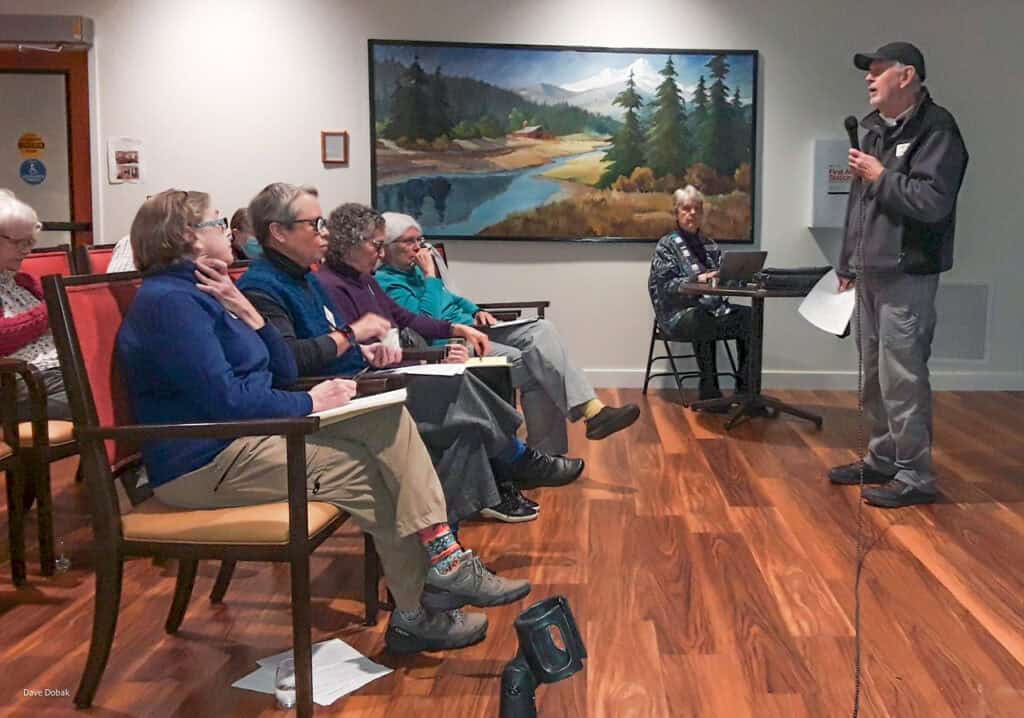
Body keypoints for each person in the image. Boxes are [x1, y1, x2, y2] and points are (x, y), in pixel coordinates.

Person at [116, 189, 532, 654]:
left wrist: (248, 312)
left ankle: (442, 561)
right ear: (185, 238)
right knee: (367, 473)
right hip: (203, 460)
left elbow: (283, 368)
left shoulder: (211, 291)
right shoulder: (171, 303)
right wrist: (308, 404)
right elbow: (227, 400)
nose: (229, 233)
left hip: (244, 438)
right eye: (216, 224)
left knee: (387, 418)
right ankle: (418, 610)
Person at [237, 184, 583, 525]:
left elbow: (368, 333)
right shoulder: (267, 285)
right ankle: (513, 465)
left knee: (461, 394)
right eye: (314, 224)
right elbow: (291, 361)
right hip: (335, 396)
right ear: (279, 232)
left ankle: (476, 512)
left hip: (364, 376)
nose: (322, 233)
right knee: (457, 398)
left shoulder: (307, 280)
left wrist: (368, 348)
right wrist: (354, 336)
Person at [317, 202, 554, 523]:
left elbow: (405, 318)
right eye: (376, 245)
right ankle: (515, 459)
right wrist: (434, 353)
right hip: (373, 382)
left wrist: (454, 328)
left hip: (394, 366)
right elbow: (359, 352)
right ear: (350, 244)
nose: (380, 253)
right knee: (460, 397)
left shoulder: (364, 279)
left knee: (465, 404)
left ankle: (502, 477)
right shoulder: (332, 286)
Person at [828, 42, 968, 508]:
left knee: (903, 378)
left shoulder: (938, 129)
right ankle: (884, 457)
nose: (869, 78)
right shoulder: (871, 131)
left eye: (878, 71)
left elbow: (932, 202)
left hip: (907, 275)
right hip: (868, 273)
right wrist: (847, 260)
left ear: (906, 76)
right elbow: (858, 205)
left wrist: (880, 175)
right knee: (874, 376)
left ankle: (915, 475)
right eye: (866, 72)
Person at [378, 212, 640, 456]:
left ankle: (593, 411)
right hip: (449, 345)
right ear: (387, 248)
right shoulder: (386, 282)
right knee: (529, 362)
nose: (419, 248)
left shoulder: (414, 272)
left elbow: (454, 299)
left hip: (474, 328)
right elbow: (426, 321)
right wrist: (430, 277)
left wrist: (476, 309)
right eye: (409, 242)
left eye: (419, 240)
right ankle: (548, 452)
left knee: (541, 331)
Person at [647, 185, 751, 406]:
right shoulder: (666, 246)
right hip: (677, 314)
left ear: (702, 213)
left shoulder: (710, 245)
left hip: (713, 309)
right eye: (686, 209)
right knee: (702, 317)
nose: (692, 213)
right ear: (676, 213)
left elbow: (723, 277)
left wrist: (732, 276)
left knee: (750, 317)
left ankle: (747, 394)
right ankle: (710, 394)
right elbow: (666, 286)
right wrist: (698, 280)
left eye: (696, 209)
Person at [0, 189, 71, 422]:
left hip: (53, 374)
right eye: (19, 243)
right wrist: (54, 308)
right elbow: (3, 336)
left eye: (30, 242)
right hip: (20, 386)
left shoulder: (23, 281)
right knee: (102, 399)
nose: (27, 250)